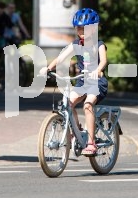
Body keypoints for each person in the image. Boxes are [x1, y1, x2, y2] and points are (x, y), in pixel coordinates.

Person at [39, 8, 108, 156]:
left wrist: (99, 69)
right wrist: (48, 68)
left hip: (97, 82)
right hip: (82, 81)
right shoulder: (76, 44)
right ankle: (76, 131)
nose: (81, 31)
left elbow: (103, 60)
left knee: (88, 105)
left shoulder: (99, 44)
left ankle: (91, 143)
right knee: (67, 104)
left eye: (85, 28)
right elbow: (61, 57)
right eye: (79, 28)